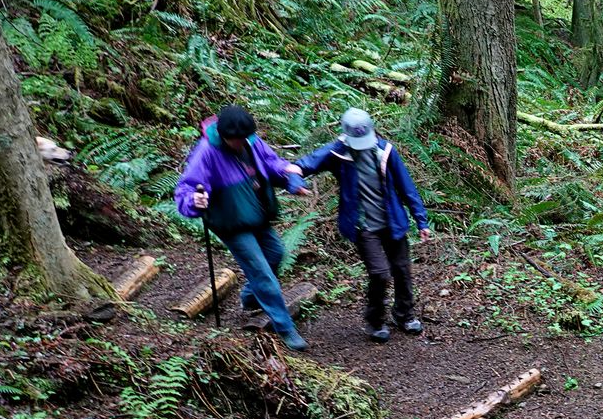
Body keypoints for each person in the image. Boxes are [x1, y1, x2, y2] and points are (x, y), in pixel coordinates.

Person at [174, 105, 311, 351]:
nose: (239, 144)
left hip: (256, 214)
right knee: (262, 272)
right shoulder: (207, 152)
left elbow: (272, 163)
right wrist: (195, 201)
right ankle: (285, 328)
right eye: (233, 140)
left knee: (275, 254)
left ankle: (250, 297)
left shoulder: (252, 141)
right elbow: (186, 189)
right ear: (224, 135)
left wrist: (290, 177)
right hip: (230, 222)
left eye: (242, 139)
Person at [296, 108, 432, 342]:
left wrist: (421, 220)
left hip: (392, 221)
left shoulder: (386, 151)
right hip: (363, 225)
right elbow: (304, 164)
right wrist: (293, 180)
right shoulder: (337, 153)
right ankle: (375, 320)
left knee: (401, 269)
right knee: (380, 273)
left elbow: (407, 187)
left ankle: (404, 315)